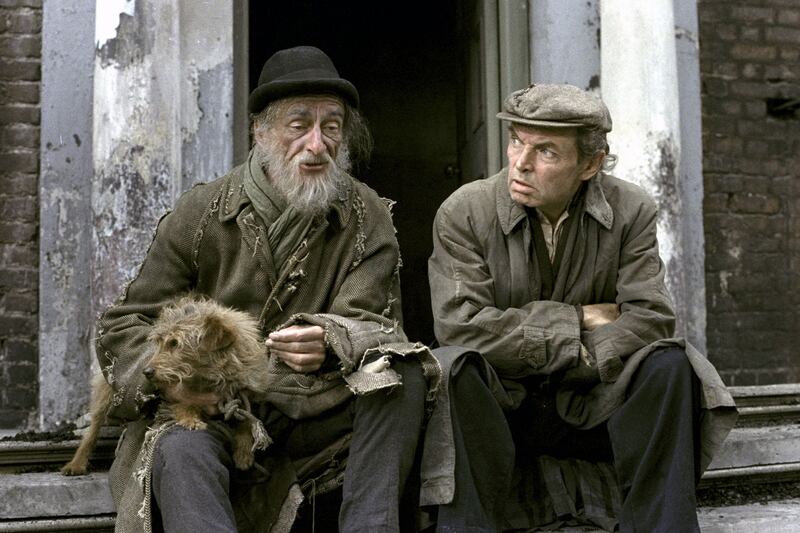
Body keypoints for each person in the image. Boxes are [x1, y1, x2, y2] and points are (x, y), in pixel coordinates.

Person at [97, 45, 436, 533]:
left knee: (405, 374)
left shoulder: (367, 216)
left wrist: (332, 337)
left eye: (332, 126)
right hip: (216, 409)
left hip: (316, 412)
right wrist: (173, 380)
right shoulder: (202, 213)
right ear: (260, 131)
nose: (318, 145)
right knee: (178, 448)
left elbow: (380, 327)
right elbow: (124, 322)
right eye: (299, 125)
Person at [424, 84, 738, 532]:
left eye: (546, 151)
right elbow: (461, 327)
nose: (521, 163)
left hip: (592, 398)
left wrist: (576, 356)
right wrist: (576, 321)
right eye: (517, 140)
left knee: (671, 363)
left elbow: (650, 318)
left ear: (590, 164)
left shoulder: (631, 209)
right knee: (454, 367)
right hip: (505, 404)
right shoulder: (465, 211)